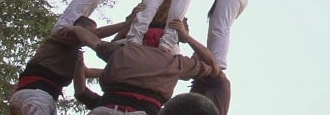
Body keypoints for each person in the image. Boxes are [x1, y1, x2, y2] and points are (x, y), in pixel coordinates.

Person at [74, 18, 220, 115]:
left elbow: (86, 35)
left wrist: (128, 23)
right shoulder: (176, 62)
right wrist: (186, 36)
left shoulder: (124, 52)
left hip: (106, 108)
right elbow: (213, 67)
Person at [9, 14, 140, 115]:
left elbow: (88, 72)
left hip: (34, 96)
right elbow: (96, 34)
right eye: (88, 31)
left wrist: (126, 71)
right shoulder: (62, 34)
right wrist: (127, 23)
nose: (88, 36)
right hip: (37, 96)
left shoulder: (72, 55)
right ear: (79, 26)